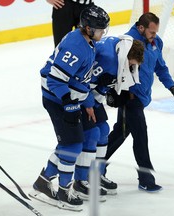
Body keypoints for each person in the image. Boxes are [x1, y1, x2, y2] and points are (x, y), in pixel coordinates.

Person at [28, 5, 109, 211]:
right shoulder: (76, 46)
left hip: (71, 98)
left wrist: (87, 102)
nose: (103, 33)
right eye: (100, 29)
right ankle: (64, 191)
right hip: (57, 99)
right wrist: (69, 104)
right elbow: (55, 80)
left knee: (87, 135)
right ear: (88, 28)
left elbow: (82, 79)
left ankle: (43, 182)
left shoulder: (86, 41)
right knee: (72, 145)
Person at [102, 12, 174, 193]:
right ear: (141, 28)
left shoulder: (156, 42)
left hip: (142, 97)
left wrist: (171, 85)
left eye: (155, 32)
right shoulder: (128, 43)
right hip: (130, 98)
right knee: (140, 136)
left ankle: (96, 166)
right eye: (152, 32)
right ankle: (146, 178)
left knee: (120, 134)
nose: (155, 35)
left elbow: (160, 66)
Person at [72, 35, 145, 200]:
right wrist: (89, 104)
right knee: (92, 135)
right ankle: (80, 181)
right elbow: (84, 82)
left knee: (103, 130)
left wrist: (102, 95)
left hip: (90, 94)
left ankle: (95, 175)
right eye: (131, 64)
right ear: (126, 56)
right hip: (77, 94)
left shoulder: (120, 47)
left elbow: (100, 84)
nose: (131, 67)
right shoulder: (109, 60)